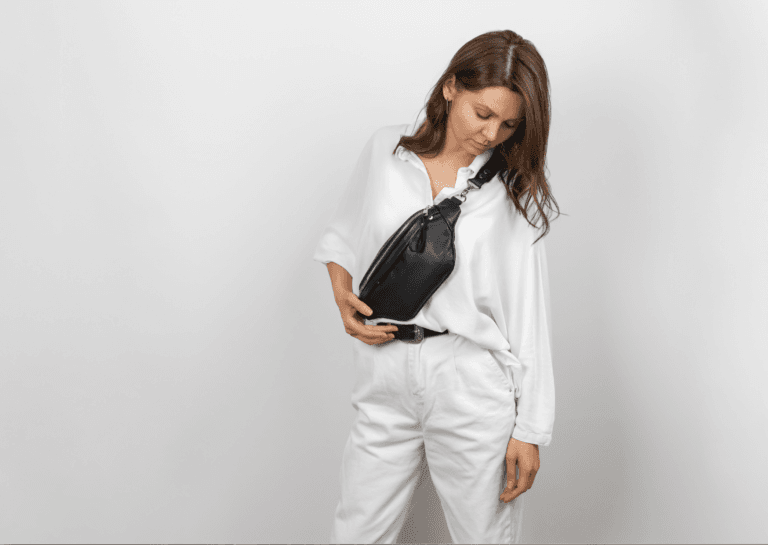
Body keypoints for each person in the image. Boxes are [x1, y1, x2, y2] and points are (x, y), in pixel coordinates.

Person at [312, 29, 560, 544]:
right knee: (355, 530)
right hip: (384, 370)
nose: (492, 135)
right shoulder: (387, 148)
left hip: (469, 377)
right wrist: (342, 294)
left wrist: (530, 430)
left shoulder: (513, 192)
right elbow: (341, 236)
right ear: (451, 88)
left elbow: (529, 315)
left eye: (510, 124)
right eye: (483, 114)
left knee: (483, 537)